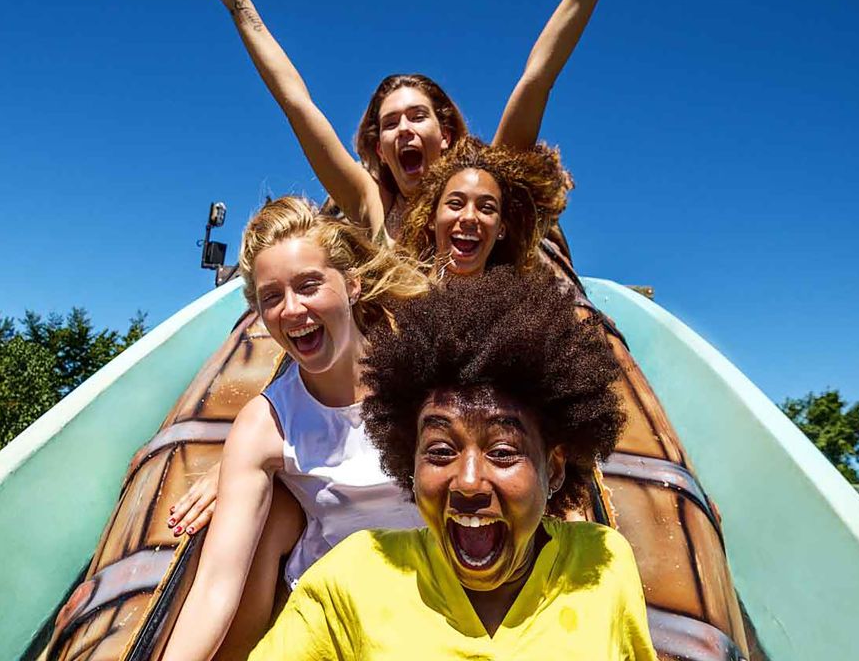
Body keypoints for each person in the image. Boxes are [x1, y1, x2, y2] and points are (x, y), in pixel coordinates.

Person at [188, 0, 631, 242]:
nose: (403, 129)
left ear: (448, 134)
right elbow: (296, 103)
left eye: (418, 116)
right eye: (390, 123)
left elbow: (539, 75)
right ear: (379, 150)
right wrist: (239, 3)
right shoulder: (368, 206)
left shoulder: (486, 186)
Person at [249, 268, 655, 660]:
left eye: (502, 452)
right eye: (441, 451)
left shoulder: (603, 565)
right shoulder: (350, 580)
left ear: (556, 468)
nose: (468, 481)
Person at [162, 197, 431, 661]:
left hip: (438, 598)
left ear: (352, 285)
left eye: (309, 285)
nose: (292, 309)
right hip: (335, 616)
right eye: (272, 297)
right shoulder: (265, 425)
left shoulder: (422, 375)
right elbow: (215, 587)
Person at [397, 138, 572, 279]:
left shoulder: (524, 313)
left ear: (501, 229)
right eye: (456, 204)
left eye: (486, 208)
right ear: (432, 219)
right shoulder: (394, 302)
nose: (470, 217)